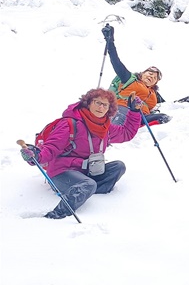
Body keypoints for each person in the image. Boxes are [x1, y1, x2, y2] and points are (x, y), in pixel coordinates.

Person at [19, 88, 142, 219]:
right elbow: (51, 148)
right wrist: (35, 156)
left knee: (118, 166)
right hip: (62, 172)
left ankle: (88, 190)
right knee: (88, 184)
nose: (101, 107)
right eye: (97, 102)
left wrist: (134, 112)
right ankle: (57, 214)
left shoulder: (105, 127)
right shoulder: (70, 124)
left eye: (105, 105)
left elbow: (126, 133)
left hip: (87, 172)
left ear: (109, 109)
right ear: (88, 103)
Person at [101, 24, 170, 126]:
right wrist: (110, 42)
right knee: (119, 121)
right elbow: (116, 63)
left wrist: (184, 102)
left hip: (142, 116)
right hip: (123, 108)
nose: (151, 77)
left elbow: (169, 105)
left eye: (155, 78)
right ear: (142, 74)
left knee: (164, 117)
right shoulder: (130, 79)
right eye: (150, 73)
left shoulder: (154, 93)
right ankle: (108, 136)